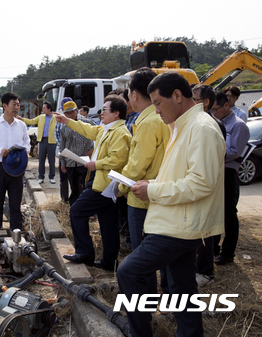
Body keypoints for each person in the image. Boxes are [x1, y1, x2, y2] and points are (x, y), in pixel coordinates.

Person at [117, 71, 225, 337]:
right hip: (178, 221)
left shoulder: (201, 128)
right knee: (182, 289)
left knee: (129, 271)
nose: (156, 110)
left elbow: (201, 183)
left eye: (157, 103)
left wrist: (152, 189)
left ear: (177, 96)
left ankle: (140, 333)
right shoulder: (183, 126)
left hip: (180, 226)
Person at [55, 95, 131, 271]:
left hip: (104, 185)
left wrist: (95, 164)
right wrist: (67, 121)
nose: (101, 112)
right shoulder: (106, 129)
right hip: (100, 181)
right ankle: (109, 261)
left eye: (105, 109)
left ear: (116, 113)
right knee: (108, 223)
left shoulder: (120, 133)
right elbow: (88, 130)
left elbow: (118, 159)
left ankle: (85, 252)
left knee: (77, 211)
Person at [118, 68, 170, 251]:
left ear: (134, 95)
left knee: (142, 255)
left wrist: (122, 186)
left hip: (142, 197)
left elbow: (138, 165)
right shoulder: (163, 117)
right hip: (160, 191)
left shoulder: (147, 122)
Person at [191, 84, 227, 286]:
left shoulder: (211, 125)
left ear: (205, 102)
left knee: (205, 231)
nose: (191, 102)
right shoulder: (198, 122)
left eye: (194, 99)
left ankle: (206, 272)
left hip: (208, 185)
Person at [211, 91, 250, 265]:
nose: (214, 113)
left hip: (228, 172)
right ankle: (214, 247)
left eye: (215, 109)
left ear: (226, 105)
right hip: (216, 172)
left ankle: (228, 253)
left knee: (228, 214)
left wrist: (214, 153)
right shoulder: (214, 123)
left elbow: (235, 151)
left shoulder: (238, 125)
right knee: (215, 211)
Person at [0, 93, 31, 231]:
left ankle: (17, 235)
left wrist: (24, 151)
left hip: (17, 168)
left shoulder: (21, 125)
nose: (16, 107)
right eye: (13, 104)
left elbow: (27, 143)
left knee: (15, 204)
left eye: (18, 105)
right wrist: (0, 151)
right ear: (4, 106)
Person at [58, 101, 96, 205]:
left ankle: (88, 209)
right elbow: (62, 145)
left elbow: (100, 138)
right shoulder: (64, 127)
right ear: (64, 114)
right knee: (73, 186)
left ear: (77, 111)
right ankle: (74, 209)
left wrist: (94, 149)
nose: (70, 115)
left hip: (85, 161)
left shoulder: (88, 123)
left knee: (85, 186)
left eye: (72, 112)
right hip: (70, 162)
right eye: (67, 113)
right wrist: (62, 162)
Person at [17, 102, 57, 184]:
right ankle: (41, 177)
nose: (43, 109)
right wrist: (22, 119)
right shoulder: (41, 117)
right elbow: (31, 121)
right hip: (42, 141)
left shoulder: (56, 117)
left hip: (52, 141)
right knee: (41, 160)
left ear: (49, 109)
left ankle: (51, 177)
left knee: (51, 160)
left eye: (44, 108)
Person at [55, 97, 75, 203]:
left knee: (75, 178)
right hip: (63, 152)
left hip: (75, 154)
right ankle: (64, 199)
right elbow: (56, 134)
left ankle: (74, 199)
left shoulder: (80, 121)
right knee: (63, 177)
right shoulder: (59, 120)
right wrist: (62, 146)